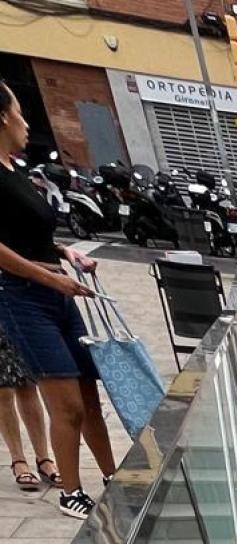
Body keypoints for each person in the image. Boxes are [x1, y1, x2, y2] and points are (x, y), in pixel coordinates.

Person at [0, 78, 116, 518]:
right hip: (24, 298)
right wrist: (50, 279)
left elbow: (31, 236)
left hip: (58, 291)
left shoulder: (17, 171)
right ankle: (71, 490)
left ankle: (113, 476)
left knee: (89, 396)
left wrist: (66, 253)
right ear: (3, 117)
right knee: (64, 403)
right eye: (21, 113)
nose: (27, 123)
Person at [0, 329, 61, 491]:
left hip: (17, 310)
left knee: (28, 385)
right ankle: (18, 461)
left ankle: (44, 459)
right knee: (3, 390)